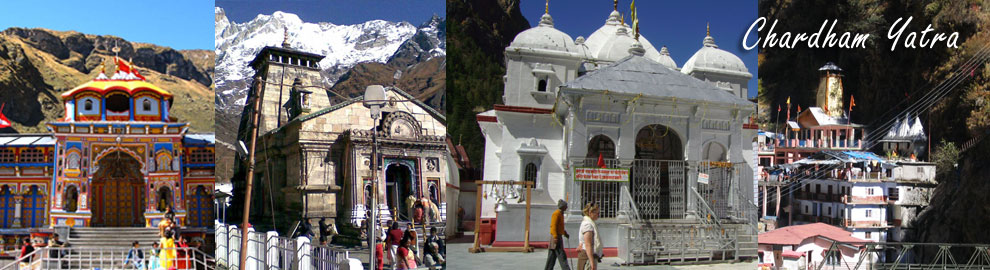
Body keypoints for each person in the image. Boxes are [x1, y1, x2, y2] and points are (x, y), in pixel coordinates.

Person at [545, 199, 571, 270]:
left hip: (558, 235)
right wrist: (555, 237)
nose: (567, 207)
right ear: (562, 206)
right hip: (555, 237)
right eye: (566, 206)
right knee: (561, 255)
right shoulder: (556, 214)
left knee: (552, 256)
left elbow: (560, 227)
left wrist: (565, 233)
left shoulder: (561, 214)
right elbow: (553, 226)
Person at [576, 203, 602, 270]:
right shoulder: (587, 225)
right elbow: (588, 244)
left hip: (588, 253)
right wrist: (591, 261)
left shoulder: (590, 223)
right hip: (586, 255)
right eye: (597, 213)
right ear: (590, 212)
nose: (598, 215)